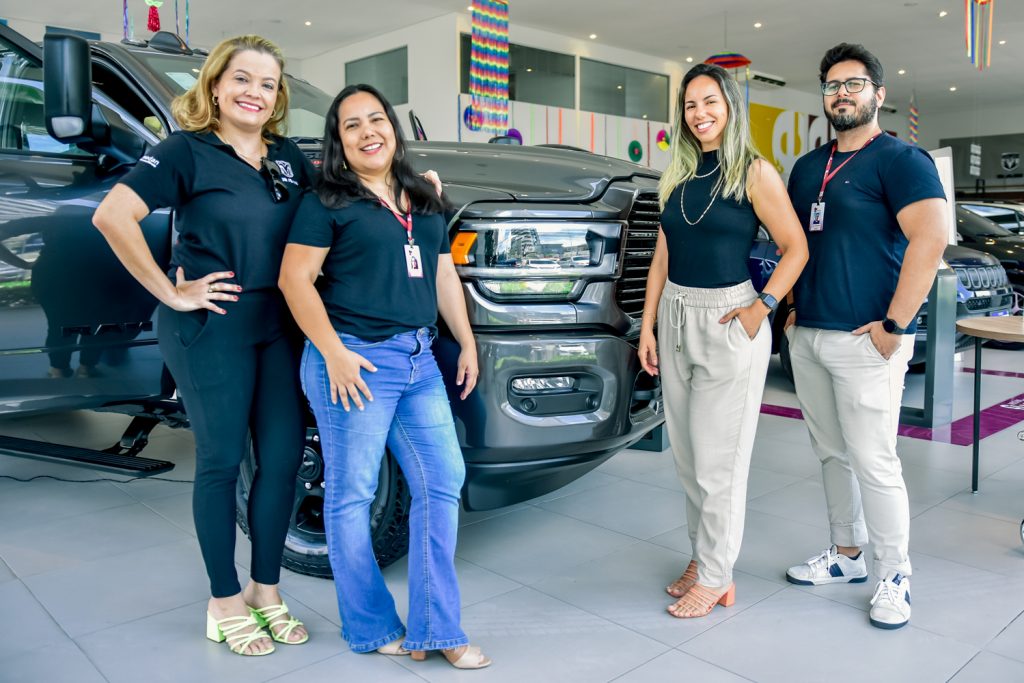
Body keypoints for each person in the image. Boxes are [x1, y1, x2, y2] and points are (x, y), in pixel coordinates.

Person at [92, 35, 313, 656]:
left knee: (282, 457)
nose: (254, 93)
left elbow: (339, 208)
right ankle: (223, 601)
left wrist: (413, 188)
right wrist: (170, 291)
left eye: (267, 84)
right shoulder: (186, 151)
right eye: (241, 79)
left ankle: (265, 590)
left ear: (277, 98)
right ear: (215, 85)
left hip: (280, 323)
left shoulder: (290, 156)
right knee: (219, 459)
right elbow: (112, 215)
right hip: (212, 322)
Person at [278, 83, 491, 669]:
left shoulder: (423, 196)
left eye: (377, 119)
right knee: (352, 496)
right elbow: (295, 281)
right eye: (352, 125)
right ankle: (370, 627)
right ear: (338, 141)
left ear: (393, 128)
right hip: (353, 361)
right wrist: (333, 354)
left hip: (420, 360)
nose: (368, 131)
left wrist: (465, 342)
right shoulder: (325, 203)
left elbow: (444, 275)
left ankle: (435, 628)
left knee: (443, 479)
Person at [782, 43, 947, 630]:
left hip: (867, 340)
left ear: (879, 93)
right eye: (831, 86)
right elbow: (796, 246)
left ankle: (895, 573)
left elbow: (931, 239)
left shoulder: (901, 160)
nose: (841, 93)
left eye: (854, 84)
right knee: (830, 453)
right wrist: (795, 307)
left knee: (875, 461)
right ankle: (846, 555)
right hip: (811, 335)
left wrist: (896, 326)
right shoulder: (807, 167)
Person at [638, 63, 808, 618]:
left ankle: (717, 574)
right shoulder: (678, 175)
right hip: (675, 314)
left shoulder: (754, 173)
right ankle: (701, 556)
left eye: (710, 101)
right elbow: (663, 254)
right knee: (688, 460)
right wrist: (648, 324)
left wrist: (762, 307)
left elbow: (795, 247)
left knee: (719, 463)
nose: (700, 113)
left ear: (730, 107)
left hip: (727, 319)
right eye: (690, 105)